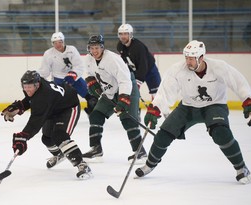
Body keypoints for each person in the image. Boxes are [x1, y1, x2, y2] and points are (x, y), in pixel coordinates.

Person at [135, 40, 251, 184]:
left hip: (214, 105)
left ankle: (241, 168)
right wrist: (155, 109)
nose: (188, 62)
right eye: (186, 57)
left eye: (191, 58)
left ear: (201, 57)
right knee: (163, 134)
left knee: (221, 133)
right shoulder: (178, 70)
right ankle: (149, 165)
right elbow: (165, 92)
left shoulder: (219, 67)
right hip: (188, 107)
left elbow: (238, 82)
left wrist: (248, 100)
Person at [1, 70, 92, 180]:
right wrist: (19, 106)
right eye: (25, 86)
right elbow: (30, 99)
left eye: (29, 86)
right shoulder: (37, 88)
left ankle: (82, 165)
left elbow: (36, 121)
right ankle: (60, 154)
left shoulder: (45, 95)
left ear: (37, 84)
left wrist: (23, 136)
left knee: (60, 135)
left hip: (68, 107)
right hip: (53, 107)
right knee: (47, 138)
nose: (27, 89)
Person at [81, 34, 147, 163]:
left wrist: (123, 99)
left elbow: (125, 80)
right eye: (92, 48)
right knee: (96, 115)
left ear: (102, 47)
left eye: (97, 48)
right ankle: (96, 148)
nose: (94, 51)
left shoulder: (112, 59)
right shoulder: (88, 59)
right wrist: (91, 82)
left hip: (127, 88)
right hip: (110, 91)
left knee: (127, 120)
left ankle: (140, 151)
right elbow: (89, 74)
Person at [38, 32, 97, 115]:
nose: (58, 45)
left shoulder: (72, 50)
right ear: (52, 43)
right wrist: (38, 78)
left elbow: (79, 66)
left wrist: (72, 75)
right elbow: (45, 70)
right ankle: (60, 116)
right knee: (58, 101)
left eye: (60, 42)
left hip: (74, 78)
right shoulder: (48, 54)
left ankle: (93, 114)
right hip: (58, 80)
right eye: (55, 43)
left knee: (91, 98)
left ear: (63, 41)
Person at [117, 23, 161, 100]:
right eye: (121, 34)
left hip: (150, 70)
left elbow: (143, 65)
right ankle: (134, 109)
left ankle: (159, 110)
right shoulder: (120, 46)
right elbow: (125, 62)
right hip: (135, 70)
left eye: (125, 34)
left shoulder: (138, 47)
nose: (123, 36)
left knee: (156, 93)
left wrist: (138, 81)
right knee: (131, 92)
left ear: (130, 34)